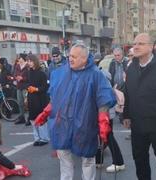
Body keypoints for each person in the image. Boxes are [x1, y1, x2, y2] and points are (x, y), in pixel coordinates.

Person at [34, 43, 116, 180]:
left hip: (85, 123)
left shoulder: (96, 75)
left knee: (88, 158)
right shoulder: (62, 73)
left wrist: (103, 120)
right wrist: (46, 112)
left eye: (74, 56)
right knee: (64, 157)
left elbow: (103, 98)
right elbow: (56, 97)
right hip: (63, 123)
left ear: (84, 58)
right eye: (69, 56)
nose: (70, 59)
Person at [123, 33, 156, 180]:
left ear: (151, 47)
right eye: (134, 44)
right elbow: (128, 92)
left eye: (141, 43)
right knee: (140, 161)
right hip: (138, 125)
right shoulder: (131, 67)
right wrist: (126, 114)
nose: (136, 46)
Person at [27, 54, 50, 146]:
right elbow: (27, 83)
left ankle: (44, 138)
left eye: (30, 61)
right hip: (31, 98)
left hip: (40, 99)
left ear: (34, 61)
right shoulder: (29, 72)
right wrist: (28, 89)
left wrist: (36, 89)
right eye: (28, 61)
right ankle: (37, 138)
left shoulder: (42, 72)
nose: (29, 63)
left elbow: (45, 86)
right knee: (32, 119)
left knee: (41, 118)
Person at [13, 53, 30, 125]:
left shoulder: (27, 66)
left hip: (25, 87)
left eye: (20, 58)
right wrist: (16, 77)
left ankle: (29, 118)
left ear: (23, 59)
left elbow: (29, 76)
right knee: (20, 103)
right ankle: (21, 117)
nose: (19, 60)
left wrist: (22, 78)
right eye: (19, 58)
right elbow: (14, 74)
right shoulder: (17, 66)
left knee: (27, 103)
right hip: (19, 86)